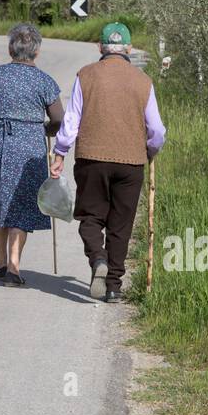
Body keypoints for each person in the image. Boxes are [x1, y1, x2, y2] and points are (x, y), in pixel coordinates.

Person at [50, 22, 165, 303]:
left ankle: (97, 258)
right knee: (121, 225)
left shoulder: (86, 75)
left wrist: (60, 152)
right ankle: (113, 286)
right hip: (131, 162)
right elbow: (157, 131)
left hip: (92, 159)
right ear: (128, 48)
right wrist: (150, 150)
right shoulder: (143, 81)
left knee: (90, 217)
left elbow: (72, 120)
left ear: (99, 47)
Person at [0, 23, 63, 287]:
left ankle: (0, 261)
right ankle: (14, 265)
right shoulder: (44, 81)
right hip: (30, 146)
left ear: (10, 49)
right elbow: (59, 119)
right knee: (22, 202)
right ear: (36, 51)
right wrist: (47, 130)